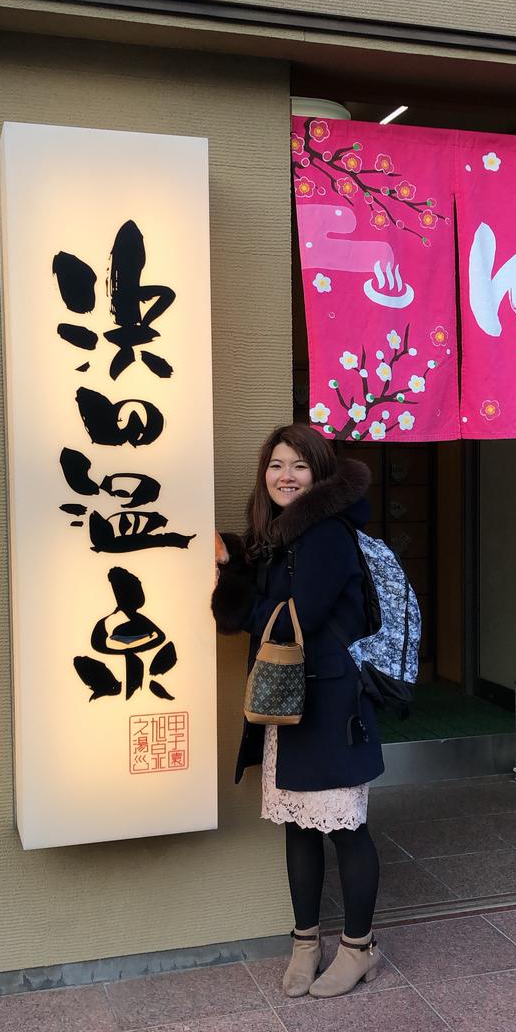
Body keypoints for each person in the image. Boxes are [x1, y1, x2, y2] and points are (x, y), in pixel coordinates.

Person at [212, 424, 384, 998]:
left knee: (346, 829)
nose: (285, 476)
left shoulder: (327, 533)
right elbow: (258, 609)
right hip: (289, 705)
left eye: (299, 466)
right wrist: (238, 559)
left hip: (332, 704)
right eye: (276, 465)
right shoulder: (281, 536)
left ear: (320, 475)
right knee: (299, 826)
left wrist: (241, 590)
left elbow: (295, 617)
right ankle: (305, 942)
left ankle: (359, 948)